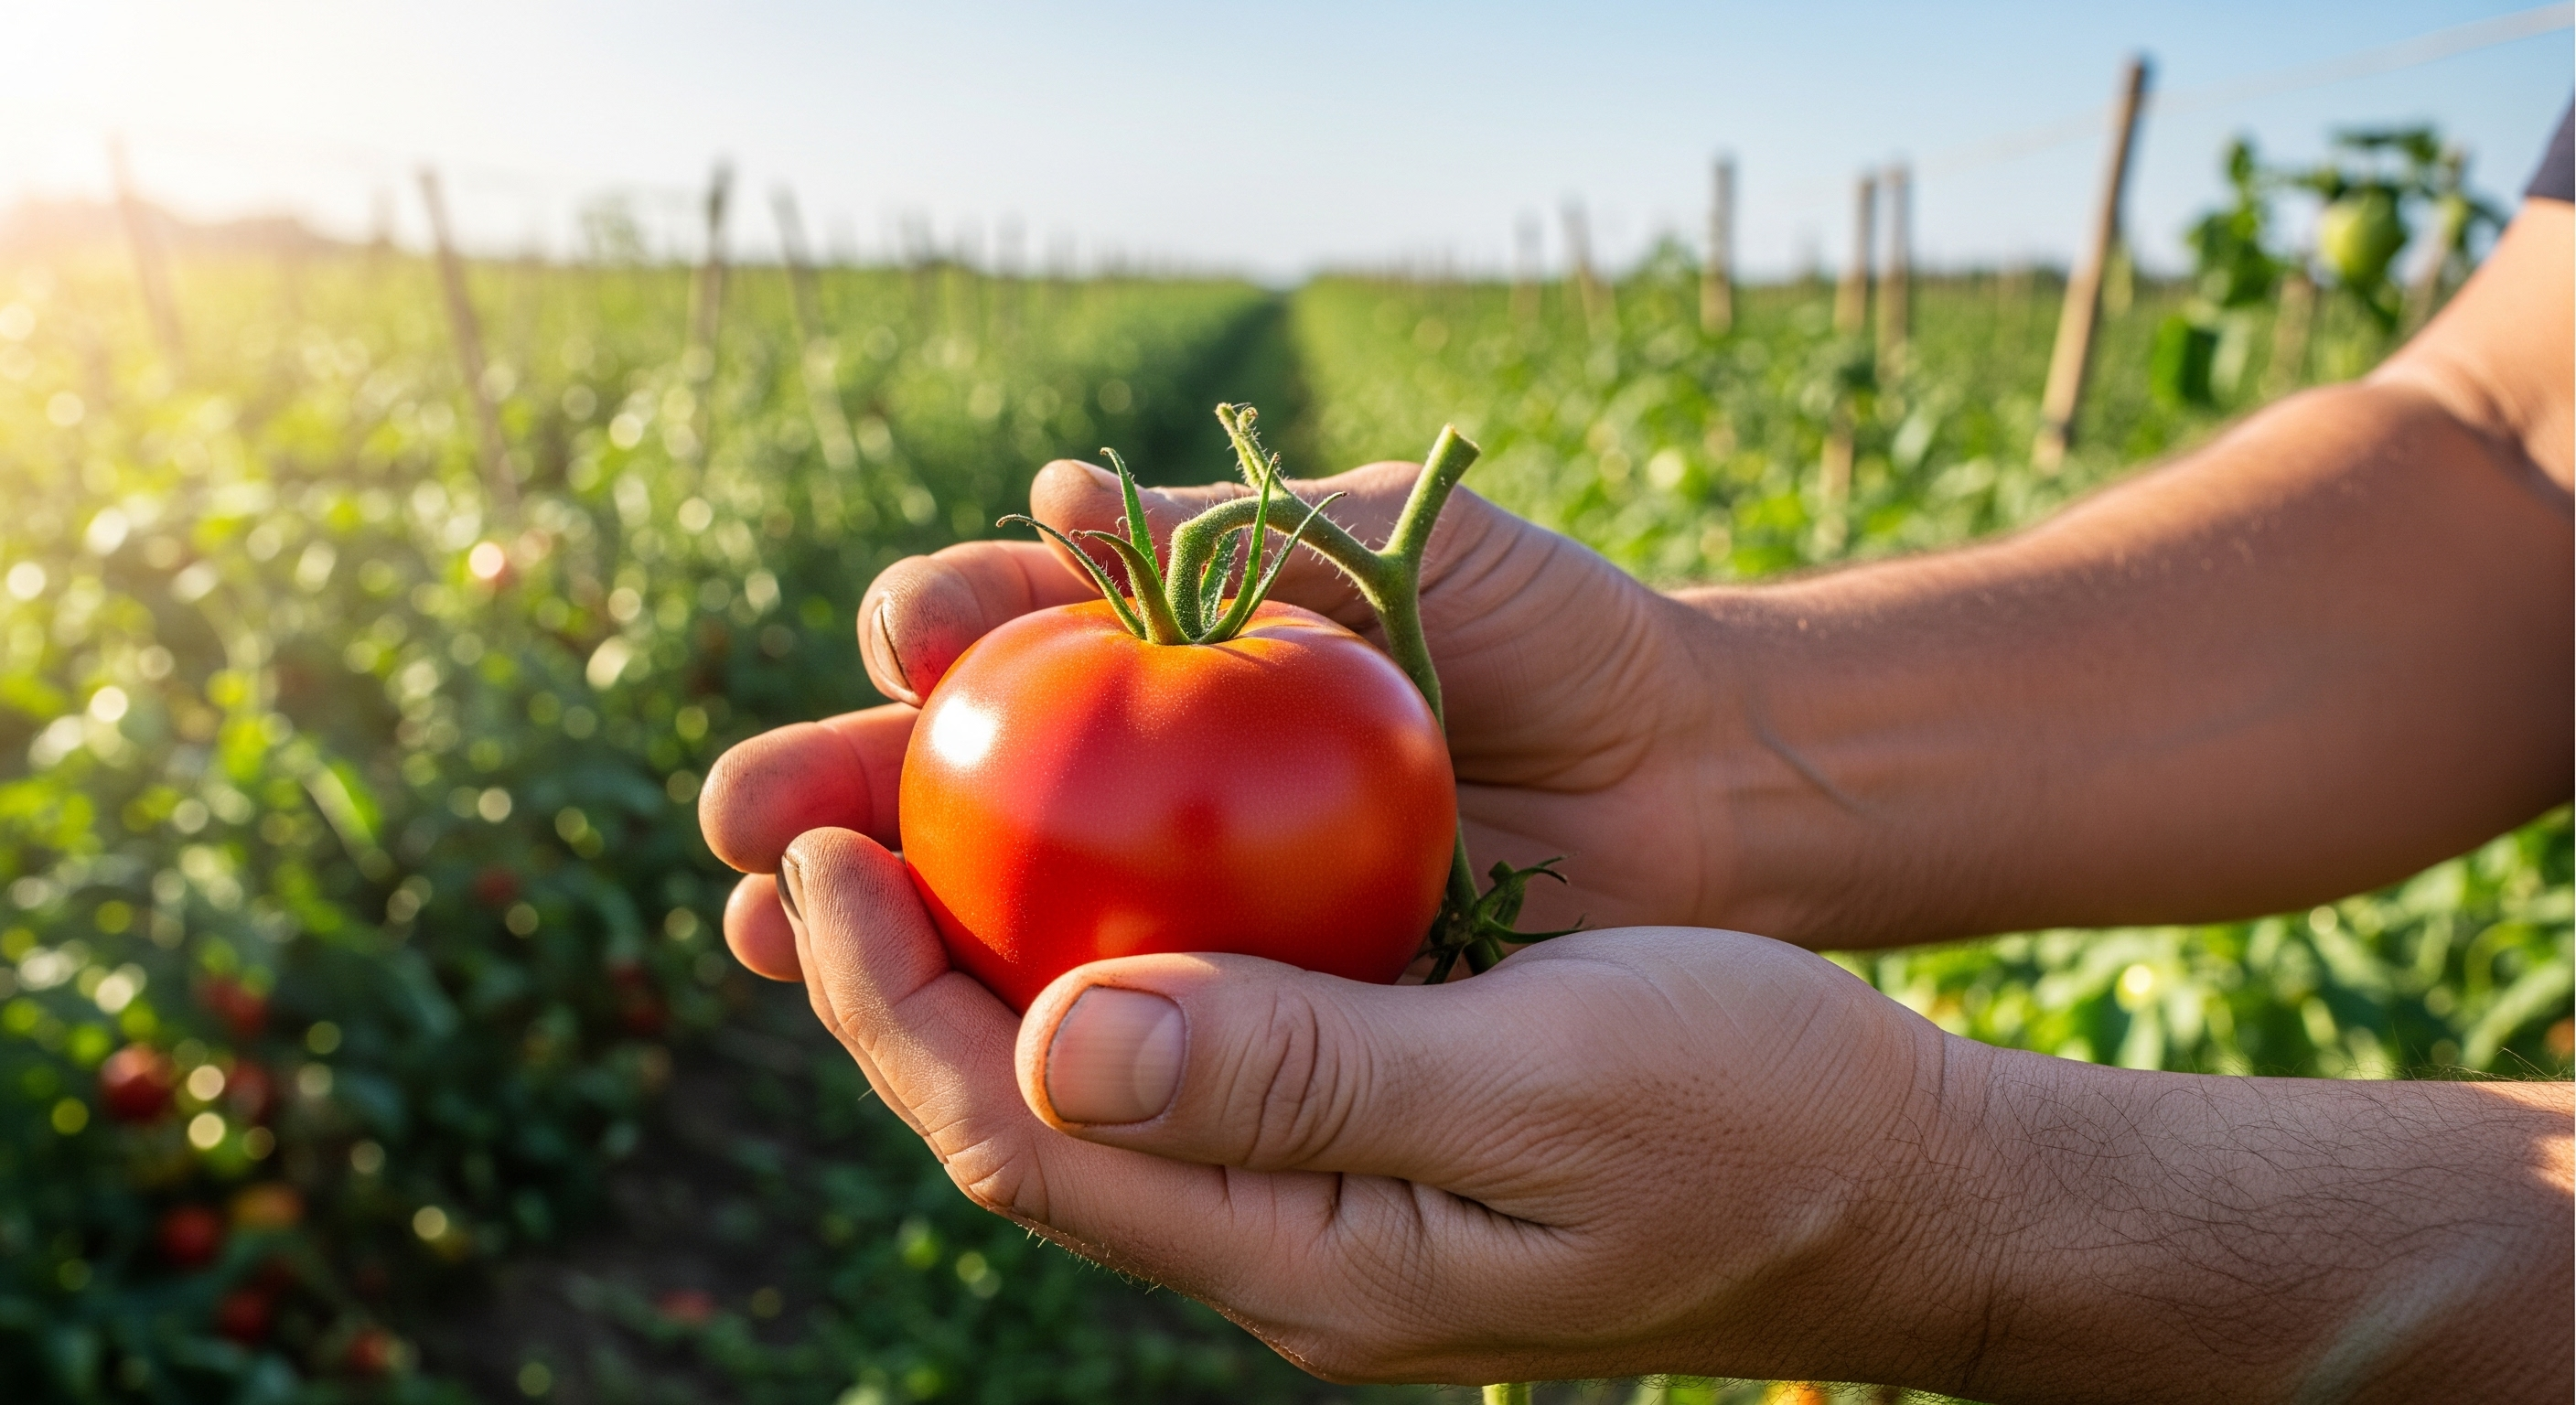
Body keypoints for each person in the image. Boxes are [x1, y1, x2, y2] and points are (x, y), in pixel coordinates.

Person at [696, 117, 2574, 1400]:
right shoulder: (1295, 703)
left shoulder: (1197, 706)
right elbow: (2516, 436)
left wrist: (1956, 1210)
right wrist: (1705, 741)